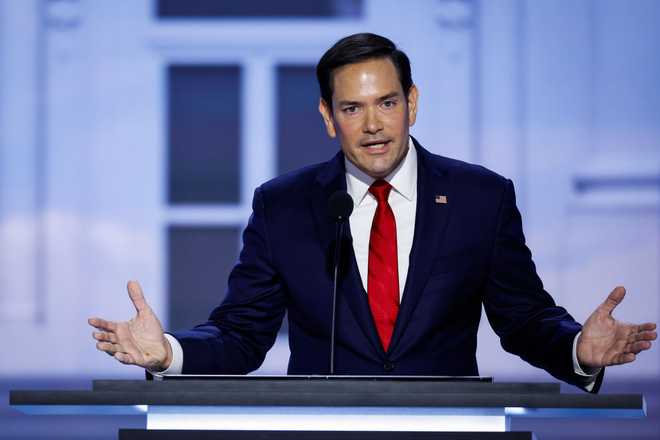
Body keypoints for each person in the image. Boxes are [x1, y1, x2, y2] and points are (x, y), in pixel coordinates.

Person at [88, 33, 656, 392]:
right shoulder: (285, 205)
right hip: (324, 432)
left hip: (450, 433)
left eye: (387, 103)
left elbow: (524, 317)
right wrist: (170, 354)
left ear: (412, 102)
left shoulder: (481, 197)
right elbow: (242, 334)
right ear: (328, 117)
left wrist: (576, 349)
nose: (374, 124)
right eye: (352, 108)